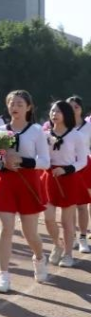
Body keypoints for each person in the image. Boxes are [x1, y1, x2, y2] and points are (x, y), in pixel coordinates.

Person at [0, 90, 50, 292]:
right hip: (5, 182)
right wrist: (1, 164)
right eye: (11, 103)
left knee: (29, 233)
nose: (15, 107)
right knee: (5, 229)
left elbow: (45, 162)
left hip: (28, 183)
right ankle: (3, 275)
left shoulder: (36, 131)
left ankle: (39, 258)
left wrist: (22, 161)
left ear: (29, 107)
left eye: (20, 104)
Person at [42, 100, 87, 268]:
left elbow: (82, 161)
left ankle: (68, 254)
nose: (54, 114)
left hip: (69, 179)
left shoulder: (76, 136)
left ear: (66, 114)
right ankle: (57, 244)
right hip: (49, 178)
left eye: (58, 111)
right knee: (48, 218)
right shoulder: (44, 135)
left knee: (66, 221)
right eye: (53, 111)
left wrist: (67, 169)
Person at [66, 96, 91, 254]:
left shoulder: (88, 127)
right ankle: (72, 236)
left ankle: (83, 238)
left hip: (85, 167)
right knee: (70, 206)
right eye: (70, 107)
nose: (73, 110)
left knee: (82, 205)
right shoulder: (61, 125)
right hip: (67, 167)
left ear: (81, 109)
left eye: (76, 107)